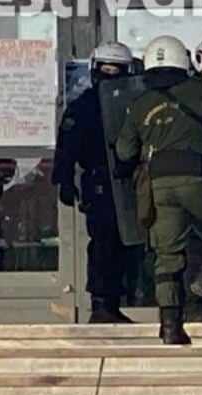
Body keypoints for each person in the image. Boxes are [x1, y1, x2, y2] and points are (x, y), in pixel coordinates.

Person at [115, 35, 202, 345]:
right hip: (197, 179)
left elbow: (123, 151)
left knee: (167, 256)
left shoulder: (140, 104)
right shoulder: (201, 91)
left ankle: (171, 325)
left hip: (158, 186)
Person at [53, 41, 138, 323]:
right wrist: (64, 180)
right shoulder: (84, 106)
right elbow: (67, 146)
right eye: (106, 70)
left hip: (130, 181)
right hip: (100, 181)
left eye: (116, 71)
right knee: (104, 243)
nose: (110, 77)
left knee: (128, 244)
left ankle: (115, 300)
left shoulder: (134, 104)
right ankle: (102, 303)